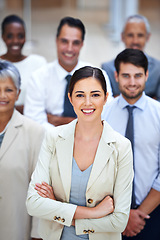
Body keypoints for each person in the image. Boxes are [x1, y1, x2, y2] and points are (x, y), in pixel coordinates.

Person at [26, 66, 133, 240]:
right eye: (80, 95)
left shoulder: (121, 147)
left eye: (95, 95)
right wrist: (96, 212)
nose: (88, 102)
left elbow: (119, 221)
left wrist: (57, 207)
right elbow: (33, 204)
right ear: (70, 98)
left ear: (106, 98)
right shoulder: (53, 138)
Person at [102, 49, 160, 239]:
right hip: (109, 213)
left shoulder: (159, 114)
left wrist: (138, 214)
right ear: (116, 76)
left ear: (147, 75)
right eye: (126, 76)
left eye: (138, 76)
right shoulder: (103, 115)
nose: (132, 82)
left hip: (153, 212)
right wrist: (122, 213)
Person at [24, 16, 113, 131]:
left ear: (82, 45)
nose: (69, 49)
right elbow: (34, 124)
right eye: (64, 41)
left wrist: (57, 120)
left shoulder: (99, 76)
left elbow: (107, 117)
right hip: (51, 145)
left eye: (75, 43)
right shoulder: (38, 78)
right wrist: (72, 130)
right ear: (56, 41)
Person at [0, 60, 44, 240]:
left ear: (18, 93)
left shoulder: (34, 132)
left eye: (9, 89)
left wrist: (37, 235)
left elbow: (40, 189)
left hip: (16, 228)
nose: (2, 95)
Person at [102, 14, 160, 100]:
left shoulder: (158, 68)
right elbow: (106, 102)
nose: (135, 41)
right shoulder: (107, 68)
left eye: (140, 35)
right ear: (122, 37)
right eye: (130, 35)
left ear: (148, 37)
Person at [0, 14, 47, 114]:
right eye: (10, 36)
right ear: (3, 37)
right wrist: (25, 108)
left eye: (20, 36)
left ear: (26, 37)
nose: (15, 41)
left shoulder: (38, 63)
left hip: (32, 123)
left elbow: (45, 101)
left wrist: (8, 107)